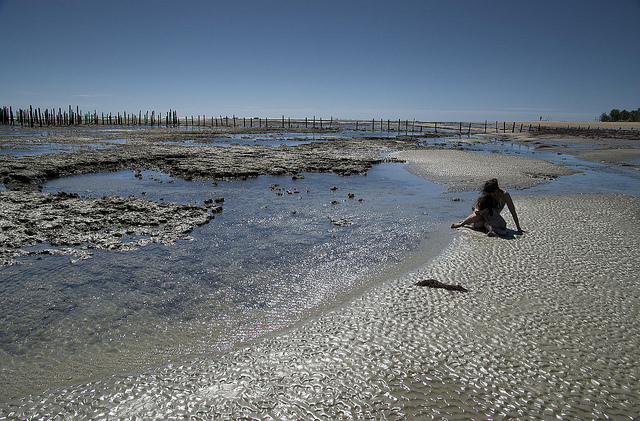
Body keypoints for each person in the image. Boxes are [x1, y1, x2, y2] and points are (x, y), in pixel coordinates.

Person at [450, 178, 527, 233]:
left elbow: (512, 211)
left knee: (479, 225)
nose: (488, 194)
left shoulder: (504, 195)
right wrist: (477, 210)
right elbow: (480, 206)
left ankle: (470, 223)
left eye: (490, 193)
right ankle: (462, 223)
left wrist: (518, 228)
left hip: (493, 218)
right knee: (476, 217)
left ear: (495, 190)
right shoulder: (487, 194)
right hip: (484, 214)